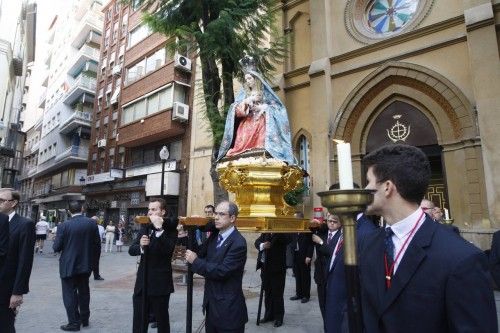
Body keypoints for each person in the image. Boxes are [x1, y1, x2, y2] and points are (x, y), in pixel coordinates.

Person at [360, 144, 497, 332]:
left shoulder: (462, 259)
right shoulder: (369, 243)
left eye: (368, 182)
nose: (365, 189)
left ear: (387, 187)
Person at [217, 56, 295, 164]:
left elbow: (279, 109)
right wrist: (247, 101)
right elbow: (235, 111)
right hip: (246, 124)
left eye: (250, 78)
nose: (248, 81)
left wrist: (264, 108)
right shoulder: (243, 94)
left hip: (261, 122)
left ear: (256, 78)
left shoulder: (265, 93)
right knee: (241, 143)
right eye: (246, 79)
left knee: (261, 144)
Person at [185, 201, 248, 333]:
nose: (216, 217)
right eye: (215, 214)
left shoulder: (238, 243)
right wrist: (192, 228)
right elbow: (200, 253)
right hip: (211, 307)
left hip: (229, 312)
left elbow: (222, 271)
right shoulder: (215, 236)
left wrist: (195, 261)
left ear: (232, 218)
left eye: (221, 214)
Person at [129, 198, 178, 333]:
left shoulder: (170, 229)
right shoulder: (145, 226)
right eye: (149, 209)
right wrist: (140, 246)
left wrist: (159, 229)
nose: (150, 212)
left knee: (161, 321)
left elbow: (168, 249)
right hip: (142, 282)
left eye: (154, 209)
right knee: (139, 320)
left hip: (160, 284)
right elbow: (131, 250)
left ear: (163, 211)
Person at [53, 201, 101, 331]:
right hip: (86, 265)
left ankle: (74, 322)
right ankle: (85, 319)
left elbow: (56, 247)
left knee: (69, 293)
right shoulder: (92, 224)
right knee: (84, 291)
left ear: (69, 211)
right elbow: (97, 245)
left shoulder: (64, 226)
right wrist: (93, 263)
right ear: (82, 209)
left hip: (68, 265)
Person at [0, 188, 35, 333]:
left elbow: (25, 260)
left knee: (5, 326)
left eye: (2, 200)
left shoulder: (24, 224)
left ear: (13, 202)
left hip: (7, 287)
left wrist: (18, 291)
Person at [311, 213, 342, 330]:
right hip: (320, 275)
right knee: (322, 304)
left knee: (332, 306)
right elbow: (312, 228)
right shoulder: (323, 232)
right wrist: (315, 222)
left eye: (334, 221)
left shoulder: (341, 235)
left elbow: (334, 252)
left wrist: (321, 243)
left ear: (340, 223)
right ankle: (326, 327)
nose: (332, 223)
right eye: (329, 221)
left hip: (333, 276)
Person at [255, 233, 289, 327]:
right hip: (265, 269)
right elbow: (257, 242)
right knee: (268, 293)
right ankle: (268, 315)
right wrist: (262, 245)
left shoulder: (282, 234)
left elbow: (288, 239)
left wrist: (279, 230)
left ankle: (279, 317)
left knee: (277, 294)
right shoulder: (266, 232)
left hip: (277, 270)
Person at [290, 212, 314, 303]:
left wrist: (309, 256)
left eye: (295, 219)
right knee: (297, 275)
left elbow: (311, 244)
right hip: (296, 255)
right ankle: (298, 293)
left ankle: (306, 295)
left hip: (304, 256)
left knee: (305, 276)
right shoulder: (293, 229)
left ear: (300, 219)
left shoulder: (307, 229)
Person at [90, 217, 104, 281]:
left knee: (96, 262)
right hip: (90, 247)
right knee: (89, 262)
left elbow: (100, 237)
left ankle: (96, 275)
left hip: (97, 247)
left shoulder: (101, 227)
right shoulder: (88, 227)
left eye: (96, 221)